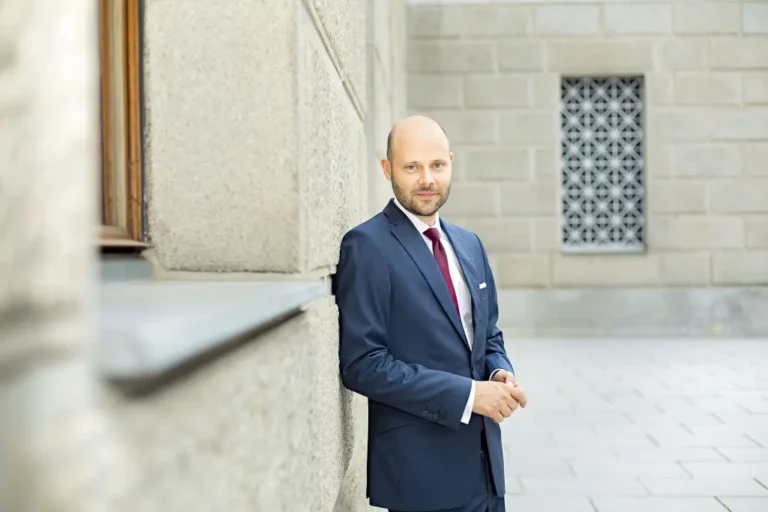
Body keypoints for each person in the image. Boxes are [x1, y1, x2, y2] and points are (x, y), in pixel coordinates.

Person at [333, 115, 527, 512]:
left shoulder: (469, 244)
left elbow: (487, 335)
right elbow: (362, 364)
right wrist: (471, 395)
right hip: (420, 477)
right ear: (387, 169)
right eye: (412, 167)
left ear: (451, 163)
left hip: (486, 472)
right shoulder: (366, 246)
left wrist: (497, 372)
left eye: (437, 165)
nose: (427, 179)